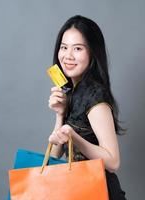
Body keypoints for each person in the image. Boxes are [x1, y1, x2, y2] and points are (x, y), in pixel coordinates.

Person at [48, 15, 127, 200]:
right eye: (64, 47)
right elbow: (55, 153)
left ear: (92, 52)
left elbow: (113, 162)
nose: (68, 55)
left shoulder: (94, 96)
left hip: (100, 192)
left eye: (77, 48)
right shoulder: (72, 92)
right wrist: (60, 115)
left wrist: (74, 138)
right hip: (78, 190)